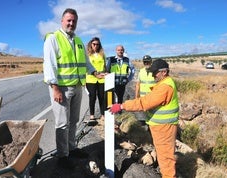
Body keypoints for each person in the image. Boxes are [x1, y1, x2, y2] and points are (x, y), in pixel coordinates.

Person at [43, 8, 99, 169]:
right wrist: (55, 88)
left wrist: (95, 72)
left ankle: (72, 148)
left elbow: (86, 62)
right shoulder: (53, 39)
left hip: (77, 86)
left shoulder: (79, 41)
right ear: (62, 21)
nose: (71, 23)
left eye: (74, 21)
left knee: (73, 121)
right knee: (62, 123)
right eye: (68, 20)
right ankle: (62, 155)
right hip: (61, 88)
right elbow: (50, 65)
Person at [110, 59, 179, 178]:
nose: (153, 75)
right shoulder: (164, 84)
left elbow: (145, 103)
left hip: (164, 128)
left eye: (155, 73)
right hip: (161, 127)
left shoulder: (165, 87)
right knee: (164, 156)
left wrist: (122, 105)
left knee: (166, 159)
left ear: (164, 72)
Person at [86, 37, 106, 120]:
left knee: (102, 97)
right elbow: (86, 67)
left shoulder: (102, 55)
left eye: (97, 44)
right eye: (94, 44)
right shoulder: (87, 55)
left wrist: (105, 72)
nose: (96, 46)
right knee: (92, 96)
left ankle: (102, 114)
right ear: (91, 44)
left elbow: (105, 66)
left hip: (101, 78)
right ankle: (92, 115)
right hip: (91, 78)